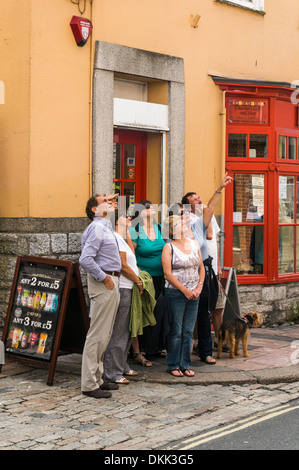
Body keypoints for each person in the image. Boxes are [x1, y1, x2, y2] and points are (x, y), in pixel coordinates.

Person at [182, 172, 233, 365]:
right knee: (188, 315)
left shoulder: (204, 219)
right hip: (189, 272)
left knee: (206, 312)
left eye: (199, 198)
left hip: (206, 269)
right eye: (194, 200)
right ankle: (185, 353)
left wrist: (219, 189)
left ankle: (206, 350)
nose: (199, 201)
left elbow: (212, 235)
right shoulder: (187, 221)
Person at [79, 194, 121, 399]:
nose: (110, 202)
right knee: (97, 334)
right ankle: (89, 384)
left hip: (111, 282)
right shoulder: (96, 228)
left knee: (105, 334)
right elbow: (85, 259)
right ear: (94, 210)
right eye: (104, 201)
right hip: (105, 283)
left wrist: (109, 198)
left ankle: (98, 378)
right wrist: (105, 278)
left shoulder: (104, 226)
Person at [103, 211, 144, 385]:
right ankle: (112, 372)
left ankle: (122, 365)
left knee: (127, 330)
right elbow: (122, 265)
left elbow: (132, 255)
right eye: (125, 216)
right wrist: (138, 280)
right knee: (119, 331)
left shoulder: (122, 238)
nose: (129, 218)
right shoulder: (114, 238)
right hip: (124, 288)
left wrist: (126, 231)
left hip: (130, 287)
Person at [162, 215, 205, 377]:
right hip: (175, 293)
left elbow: (201, 268)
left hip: (195, 293)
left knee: (188, 331)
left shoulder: (194, 244)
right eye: (180, 223)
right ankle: (173, 364)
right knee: (176, 330)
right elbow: (167, 274)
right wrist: (185, 290)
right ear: (172, 229)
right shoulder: (169, 247)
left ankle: (185, 364)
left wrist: (199, 287)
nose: (184, 225)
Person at [129, 200, 166, 364]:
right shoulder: (135, 230)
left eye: (152, 206)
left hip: (161, 278)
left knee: (158, 311)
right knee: (144, 312)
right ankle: (140, 349)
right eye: (147, 207)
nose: (151, 209)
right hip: (144, 279)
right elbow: (130, 256)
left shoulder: (159, 228)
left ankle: (156, 347)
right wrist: (138, 278)